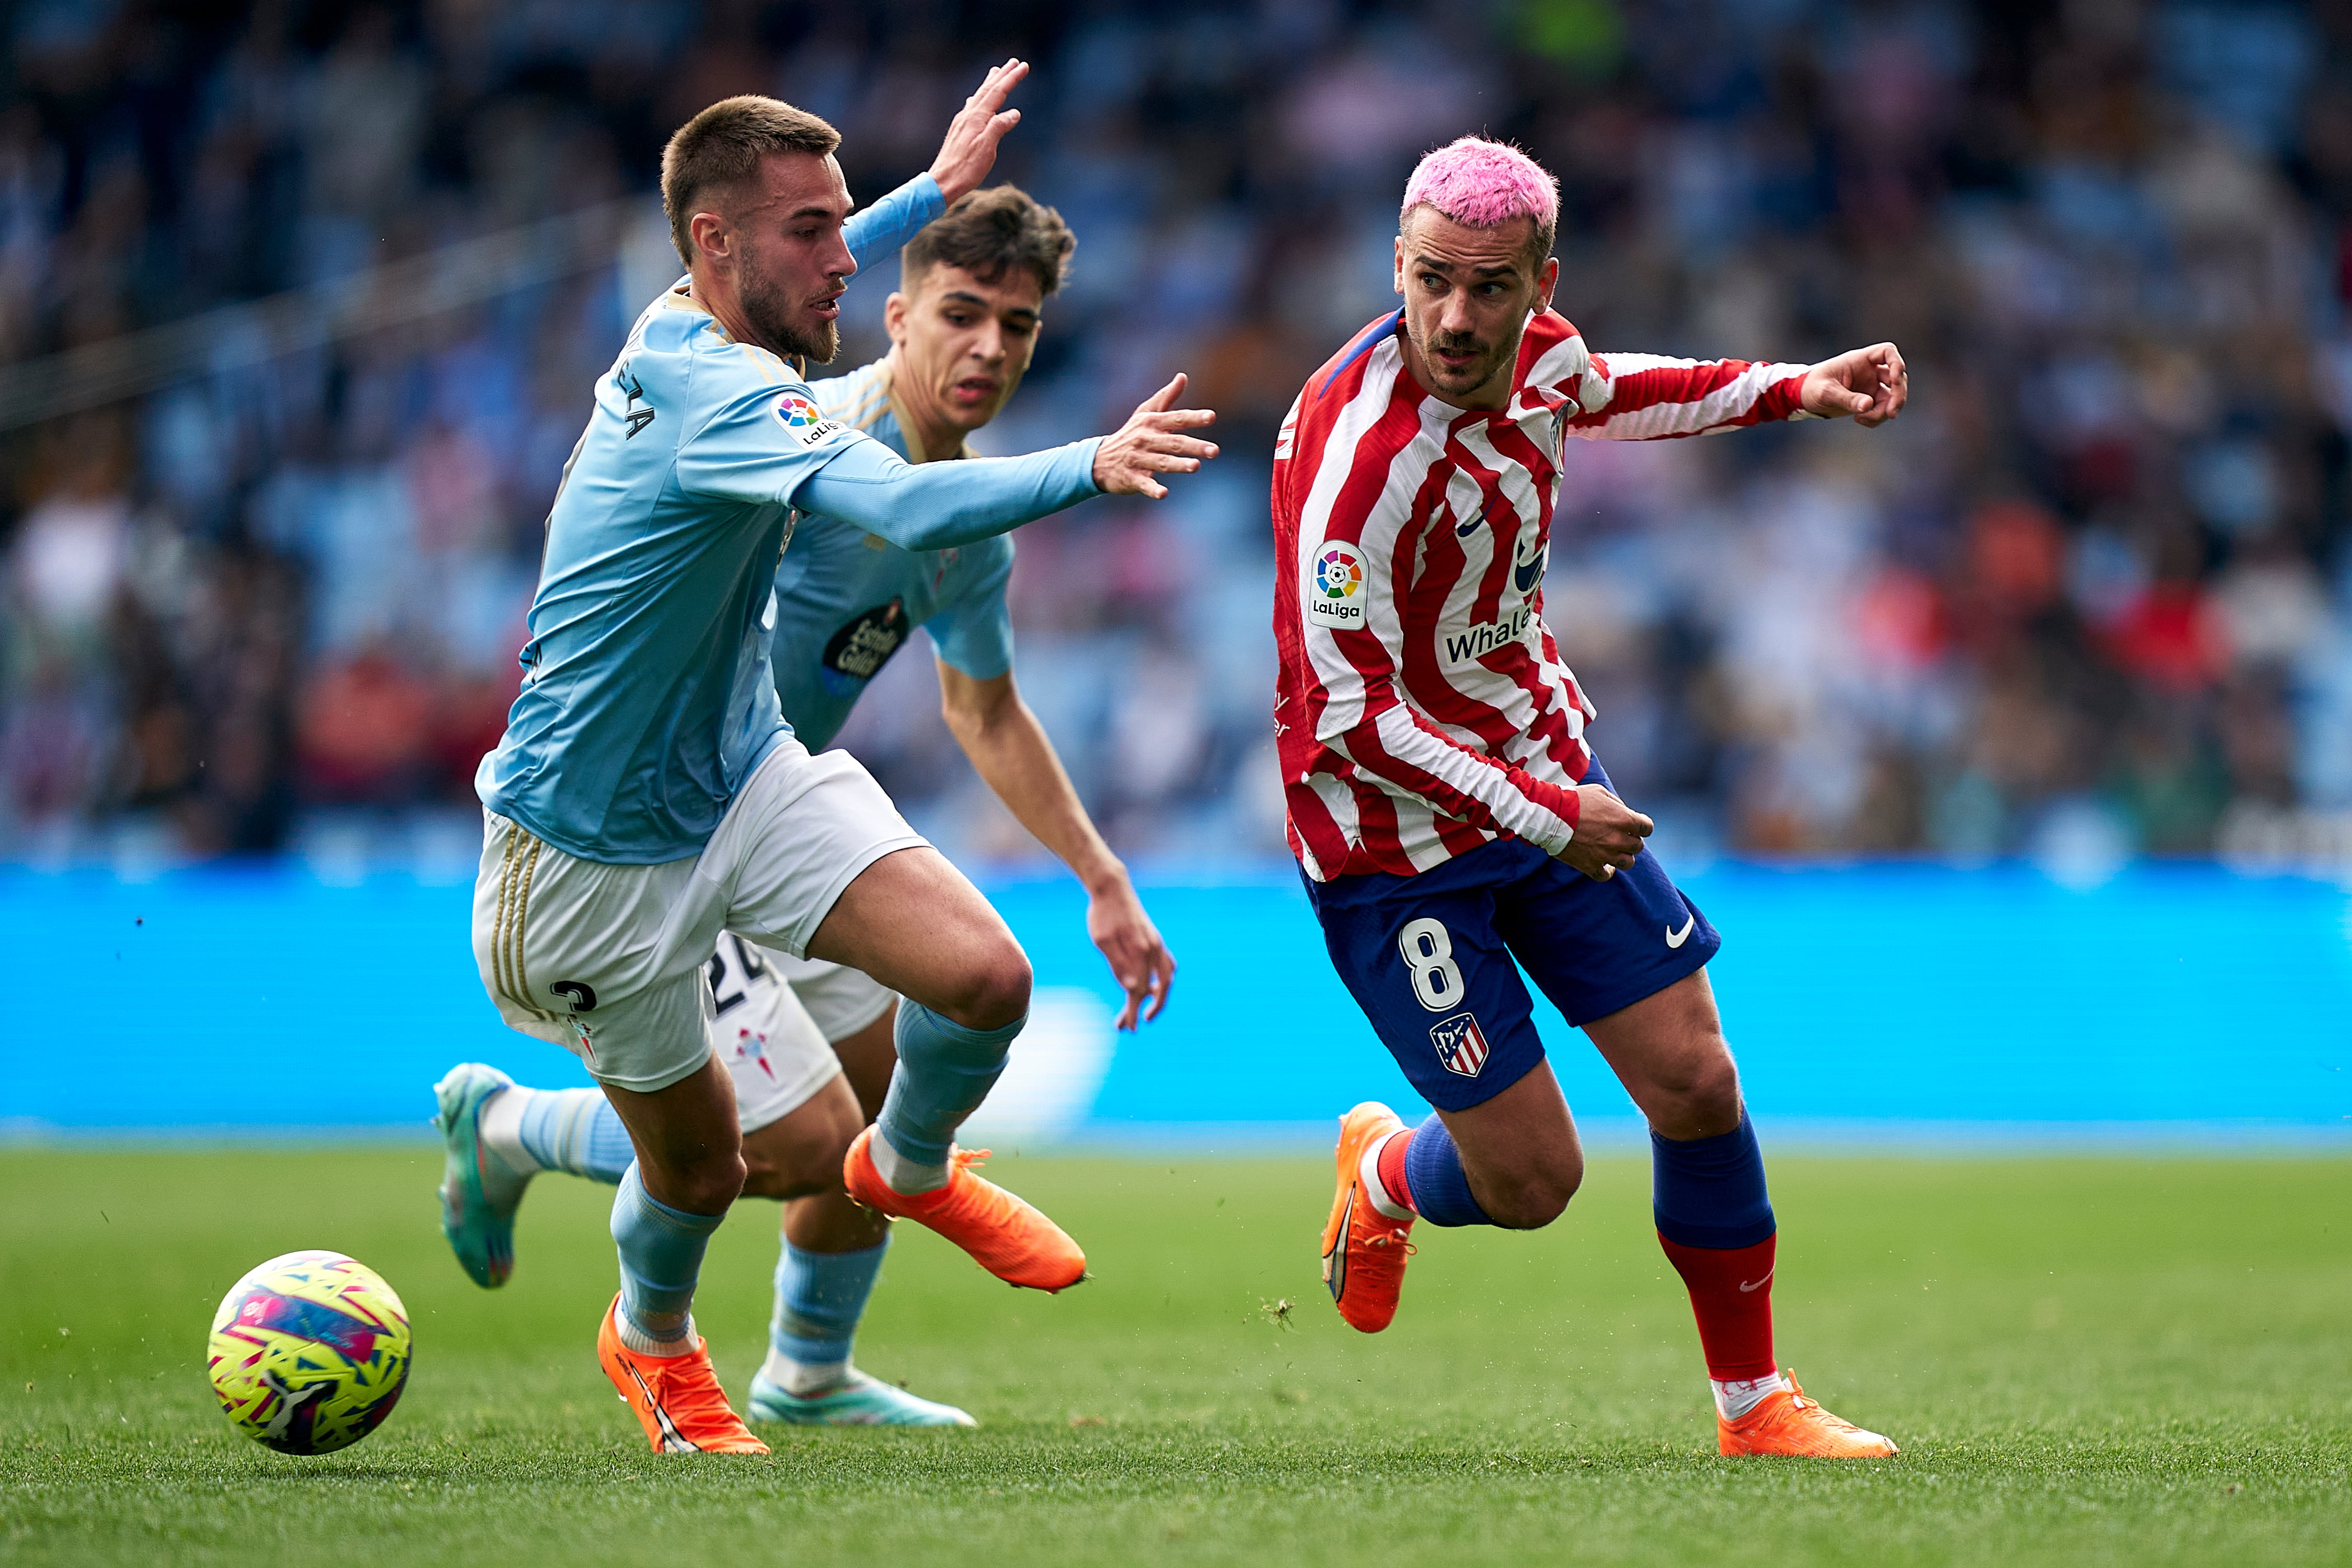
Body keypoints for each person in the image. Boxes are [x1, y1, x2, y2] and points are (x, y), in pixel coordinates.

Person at [460, 65, 1218, 1455]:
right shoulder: (761, 410)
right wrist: (1092, 464)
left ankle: (828, 1330)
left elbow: (983, 709)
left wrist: (928, 190)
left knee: (971, 995)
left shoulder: (735, 320)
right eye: (824, 239)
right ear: (890, 316)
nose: (988, 346)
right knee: (744, 1157)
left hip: (751, 775)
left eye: (1018, 325)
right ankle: (556, 1198)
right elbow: (901, 499)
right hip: (596, 845)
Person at [1278, 137, 1905, 1459]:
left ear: (1538, 281)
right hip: (1396, 844)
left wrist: (1797, 388)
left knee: (1694, 1079)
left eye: (1492, 288)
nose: (1458, 318)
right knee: (1534, 1182)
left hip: (1537, 770)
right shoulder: (1359, 465)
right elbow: (1348, 715)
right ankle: (1387, 1172)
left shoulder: (1539, 352)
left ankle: (1754, 1405)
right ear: (1396, 264)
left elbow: (1610, 388)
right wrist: (1545, 812)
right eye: (1434, 282)